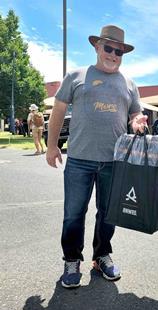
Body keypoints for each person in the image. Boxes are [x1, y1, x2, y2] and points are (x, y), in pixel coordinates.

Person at [46, 25, 147, 289]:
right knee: (73, 214)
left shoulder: (129, 84)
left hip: (114, 162)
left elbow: (135, 114)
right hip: (79, 159)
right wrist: (51, 145)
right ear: (97, 47)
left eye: (119, 51)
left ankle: (101, 255)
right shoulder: (76, 76)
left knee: (108, 214)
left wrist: (137, 122)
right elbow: (58, 110)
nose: (113, 54)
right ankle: (71, 259)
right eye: (109, 48)